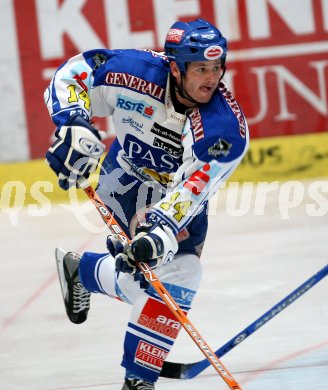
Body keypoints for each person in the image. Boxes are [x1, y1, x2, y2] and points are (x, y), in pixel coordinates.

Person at [44, 18, 249, 390]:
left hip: (177, 197)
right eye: (201, 68)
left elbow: (194, 189)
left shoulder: (222, 127)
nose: (211, 78)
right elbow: (75, 72)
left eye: (217, 68)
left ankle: (83, 270)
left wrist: (162, 230)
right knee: (180, 276)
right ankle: (139, 380)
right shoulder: (134, 72)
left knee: (147, 282)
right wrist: (72, 123)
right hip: (123, 181)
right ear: (175, 66)